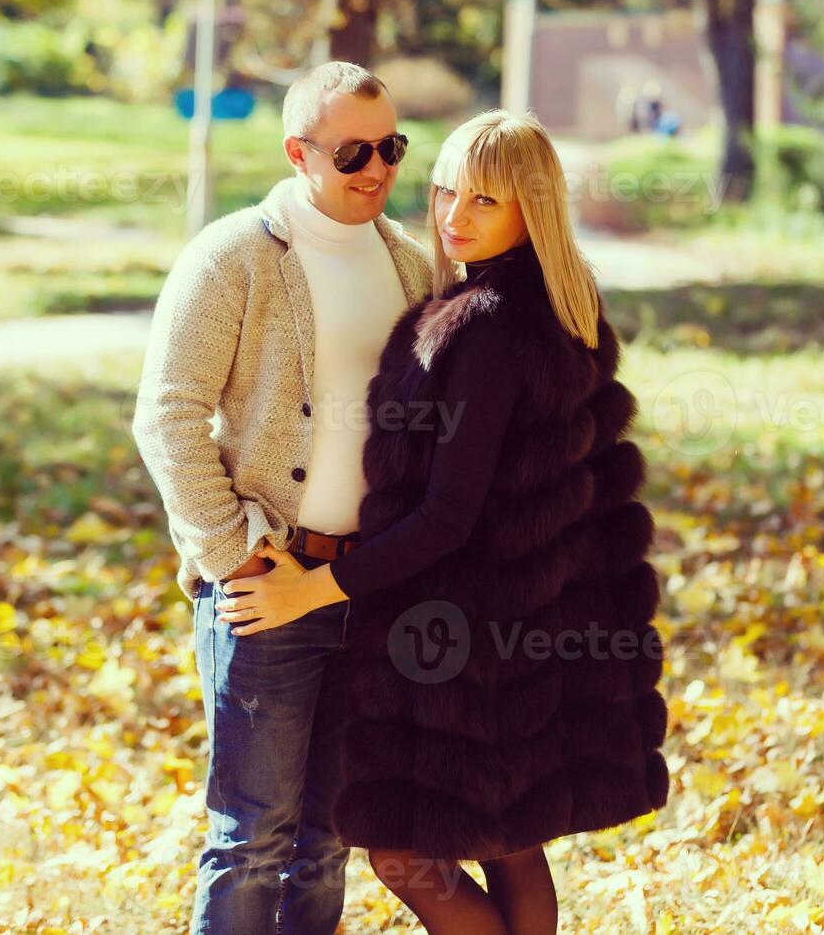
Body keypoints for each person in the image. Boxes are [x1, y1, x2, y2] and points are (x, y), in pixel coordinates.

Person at [217, 110, 670, 933]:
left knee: (404, 854)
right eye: (446, 191)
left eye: (483, 203)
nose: (454, 216)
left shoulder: (487, 329)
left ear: (530, 207)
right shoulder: (556, 306)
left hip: (461, 645)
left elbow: (447, 519)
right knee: (510, 844)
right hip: (525, 629)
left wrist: (311, 591)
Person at [131, 60, 434, 934]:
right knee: (251, 836)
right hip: (266, 590)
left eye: (392, 147)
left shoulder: (411, 265)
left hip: (363, 591)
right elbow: (167, 417)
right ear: (300, 152)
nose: (377, 168)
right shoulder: (232, 257)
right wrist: (235, 554)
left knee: (329, 836)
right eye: (353, 154)